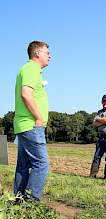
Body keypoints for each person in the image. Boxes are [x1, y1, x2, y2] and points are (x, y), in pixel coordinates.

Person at [13, 41, 51, 201]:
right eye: (47, 52)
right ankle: (30, 204)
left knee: (23, 166)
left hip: (24, 125)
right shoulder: (31, 68)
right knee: (41, 164)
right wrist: (38, 118)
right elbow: (26, 94)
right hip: (31, 125)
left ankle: (18, 202)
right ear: (37, 53)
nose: (50, 56)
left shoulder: (29, 69)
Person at [89, 94, 106, 180]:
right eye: (104, 101)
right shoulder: (99, 112)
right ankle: (92, 176)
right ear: (101, 102)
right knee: (97, 156)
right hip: (101, 137)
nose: (105, 102)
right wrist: (103, 121)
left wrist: (99, 120)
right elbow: (94, 124)